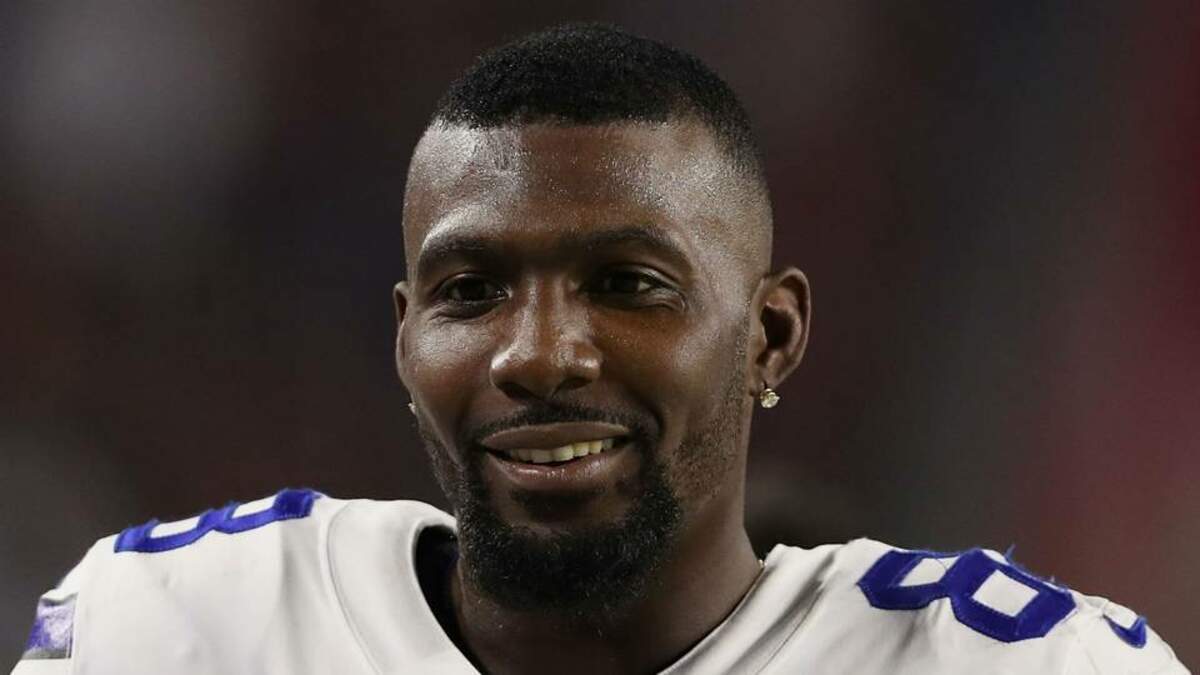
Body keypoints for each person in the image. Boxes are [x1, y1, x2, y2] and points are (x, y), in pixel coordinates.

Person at [11, 24, 1187, 675]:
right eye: (473, 291)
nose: (542, 355)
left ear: (771, 334)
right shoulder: (173, 628)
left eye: (628, 286)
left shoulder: (1012, 664)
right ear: (406, 337)